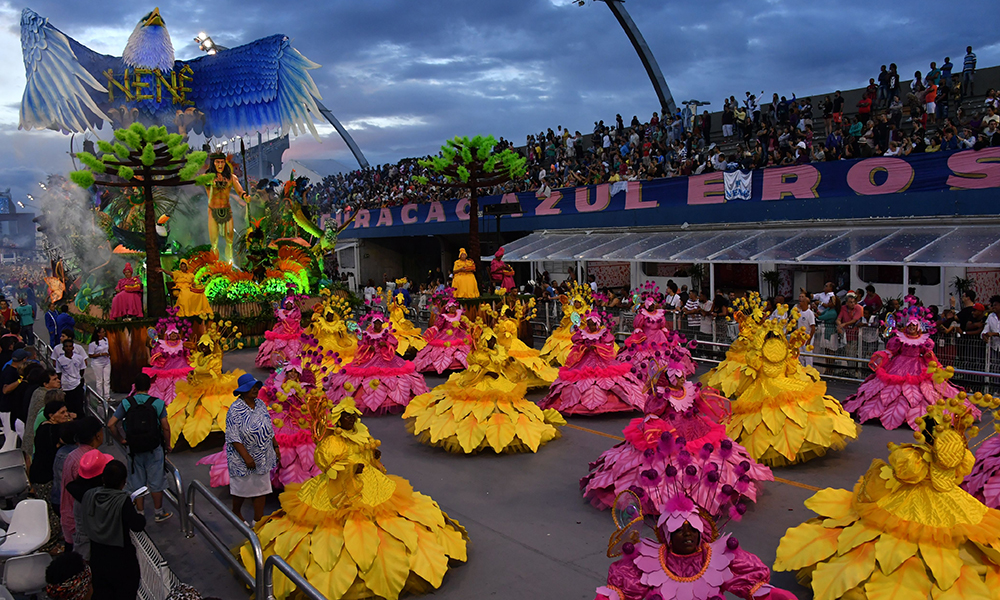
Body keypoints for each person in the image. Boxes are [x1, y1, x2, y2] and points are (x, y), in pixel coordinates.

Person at [778, 397, 1000, 597]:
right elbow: (959, 471)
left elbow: (905, 474)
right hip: (953, 501)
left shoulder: (914, 457)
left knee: (891, 536)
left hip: (913, 501)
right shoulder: (960, 455)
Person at [703, 293, 858, 466]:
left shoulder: (761, 353)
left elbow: (754, 367)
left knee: (772, 418)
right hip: (782, 384)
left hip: (766, 387)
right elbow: (790, 369)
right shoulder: (781, 352)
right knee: (798, 412)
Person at [594, 494, 796, 600]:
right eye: (679, 530)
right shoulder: (649, 560)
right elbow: (622, 589)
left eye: (692, 529)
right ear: (669, 537)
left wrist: (773, 595)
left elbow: (752, 586)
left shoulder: (719, 557)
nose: (687, 534)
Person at [845, 305, 971, 430]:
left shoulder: (923, 340)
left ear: (918, 327)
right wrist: (884, 355)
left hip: (917, 366)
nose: (911, 328)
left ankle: (919, 416)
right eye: (910, 325)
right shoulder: (900, 339)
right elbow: (893, 351)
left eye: (914, 326)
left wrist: (928, 356)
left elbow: (926, 352)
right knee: (891, 389)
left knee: (922, 391)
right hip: (898, 365)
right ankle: (878, 412)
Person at [324, 310, 429, 415]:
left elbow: (394, 343)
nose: (378, 325)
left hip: (385, 359)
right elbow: (362, 344)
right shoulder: (368, 333)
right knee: (364, 375)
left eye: (380, 323)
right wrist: (369, 347)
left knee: (392, 375)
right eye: (376, 323)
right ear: (373, 324)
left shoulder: (385, 333)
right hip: (371, 359)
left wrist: (386, 344)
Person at [540, 311, 644, 415]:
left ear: (597, 324)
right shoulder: (583, 334)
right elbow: (577, 343)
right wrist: (585, 347)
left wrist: (598, 347)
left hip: (602, 361)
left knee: (611, 379)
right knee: (579, 379)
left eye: (593, 324)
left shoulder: (603, 334)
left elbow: (609, 346)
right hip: (586, 361)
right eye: (589, 324)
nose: (590, 326)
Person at [107, 373, 172, 522]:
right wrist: (167, 445)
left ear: (135, 387)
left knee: (137, 481)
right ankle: (159, 512)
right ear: (149, 386)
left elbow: (111, 424)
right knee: (156, 481)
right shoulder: (158, 403)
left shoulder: (126, 403)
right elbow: (165, 427)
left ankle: (140, 512)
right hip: (154, 447)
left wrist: (121, 439)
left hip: (134, 448)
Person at [81, 459, 145, 600]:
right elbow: (137, 525)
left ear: (103, 478)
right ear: (123, 482)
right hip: (121, 560)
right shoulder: (122, 501)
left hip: (97, 556)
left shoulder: (89, 495)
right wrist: (139, 512)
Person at [225, 373, 277, 527]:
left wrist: (275, 445)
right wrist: (246, 457)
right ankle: (236, 511)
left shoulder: (260, 405)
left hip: (263, 455)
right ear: (242, 391)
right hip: (242, 459)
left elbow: (268, 427)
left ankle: (258, 520)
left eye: (256, 387)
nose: (255, 390)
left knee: (261, 488)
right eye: (251, 388)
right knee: (242, 488)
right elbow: (233, 436)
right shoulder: (234, 410)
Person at [60, 416, 104, 551]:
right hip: (82, 525)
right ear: (97, 435)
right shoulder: (91, 461)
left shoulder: (72, 454)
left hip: (68, 518)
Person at [55, 338, 87, 417]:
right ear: (63, 348)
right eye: (66, 346)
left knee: (79, 406)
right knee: (69, 406)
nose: (68, 348)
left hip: (77, 385)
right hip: (66, 387)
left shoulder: (79, 358)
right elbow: (59, 373)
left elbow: (82, 370)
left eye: (70, 346)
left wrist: (77, 378)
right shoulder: (60, 360)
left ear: (73, 348)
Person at [0, 348, 26, 443]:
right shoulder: (10, 372)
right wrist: (19, 381)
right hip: (7, 409)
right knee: (10, 436)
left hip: (10, 409)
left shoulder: (9, 369)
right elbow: (5, 390)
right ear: (23, 360)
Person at [87, 327, 110, 400]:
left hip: (106, 362)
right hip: (97, 363)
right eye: (102, 332)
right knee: (100, 381)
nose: (104, 333)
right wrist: (101, 354)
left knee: (107, 380)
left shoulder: (106, 340)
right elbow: (90, 355)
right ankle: (100, 397)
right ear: (98, 333)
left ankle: (107, 396)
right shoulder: (93, 344)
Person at [796, 291, 816, 367]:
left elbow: (813, 328)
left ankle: (809, 372)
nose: (799, 303)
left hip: (807, 337)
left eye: (801, 302)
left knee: (808, 357)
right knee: (800, 356)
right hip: (800, 338)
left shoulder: (810, 313)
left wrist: (809, 340)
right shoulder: (800, 312)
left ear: (805, 303)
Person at [983, 295, 1000, 366]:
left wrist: (994, 334)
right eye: (993, 305)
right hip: (994, 346)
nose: (993, 307)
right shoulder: (991, 316)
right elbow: (986, 328)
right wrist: (984, 335)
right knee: (994, 367)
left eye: (995, 305)